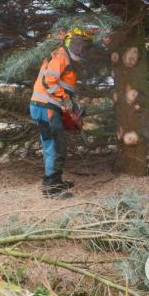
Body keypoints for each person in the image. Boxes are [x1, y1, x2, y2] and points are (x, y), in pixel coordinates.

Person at [29, 28, 93, 199]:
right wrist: (65, 99)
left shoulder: (65, 58)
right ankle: (52, 188)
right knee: (56, 147)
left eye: (84, 46)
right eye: (79, 44)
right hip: (45, 107)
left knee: (52, 145)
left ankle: (53, 180)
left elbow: (64, 88)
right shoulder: (60, 56)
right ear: (70, 41)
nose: (82, 49)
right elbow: (48, 81)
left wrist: (72, 104)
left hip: (45, 106)